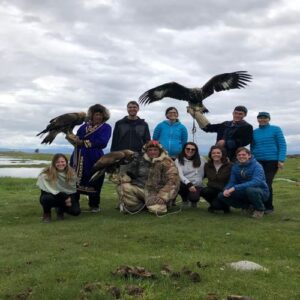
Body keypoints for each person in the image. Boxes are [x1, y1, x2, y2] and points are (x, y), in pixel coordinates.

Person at [113, 140, 180, 215]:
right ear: (146, 151)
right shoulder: (139, 159)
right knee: (123, 186)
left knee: (157, 210)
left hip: (157, 193)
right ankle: (135, 207)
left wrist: (163, 197)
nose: (152, 152)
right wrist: (118, 176)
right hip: (141, 189)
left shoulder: (167, 162)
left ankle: (154, 205)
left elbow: (173, 182)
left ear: (160, 151)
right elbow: (127, 174)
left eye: (155, 150)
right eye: (150, 150)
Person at [66, 104, 112, 212]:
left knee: (95, 178)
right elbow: (78, 138)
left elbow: (103, 142)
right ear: (92, 115)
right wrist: (73, 138)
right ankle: (74, 203)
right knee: (75, 178)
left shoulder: (106, 127)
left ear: (104, 116)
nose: (98, 117)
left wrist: (83, 142)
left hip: (95, 156)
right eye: (96, 114)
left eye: (101, 115)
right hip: (78, 155)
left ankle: (94, 205)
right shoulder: (83, 126)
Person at [217, 147, 269, 218]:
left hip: (260, 191)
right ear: (237, 156)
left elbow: (256, 182)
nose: (241, 156)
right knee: (222, 195)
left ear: (249, 155)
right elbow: (232, 181)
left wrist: (235, 188)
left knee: (251, 190)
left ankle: (259, 209)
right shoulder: (235, 167)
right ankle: (247, 207)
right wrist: (226, 189)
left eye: (244, 154)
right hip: (243, 191)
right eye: (239, 155)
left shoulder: (257, 166)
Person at [251, 112, 287, 213]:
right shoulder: (254, 132)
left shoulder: (276, 129)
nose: (262, 119)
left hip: (272, 161)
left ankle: (269, 207)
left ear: (269, 119)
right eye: (260, 118)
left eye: (265, 118)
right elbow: (252, 147)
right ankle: (257, 204)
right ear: (257, 119)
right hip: (257, 161)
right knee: (256, 182)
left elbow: (282, 145)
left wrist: (281, 160)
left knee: (267, 182)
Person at [187, 105, 253, 161]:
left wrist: (226, 142)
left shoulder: (247, 127)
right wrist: (198, 115)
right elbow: (208, 128)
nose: (237, 115)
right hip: (218, 153)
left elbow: (245, 141)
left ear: (245, 115)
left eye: (240, 114)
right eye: (236, 113)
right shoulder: (225, 124)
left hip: (234, 156)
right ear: (233, 113)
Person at [37, 153, 81, 222]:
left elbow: (72, 190)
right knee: (46, 198)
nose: (60, 164)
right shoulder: (46, 174)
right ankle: (47, 214)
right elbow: (46, 191)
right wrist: (66, 197)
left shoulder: (71, 173)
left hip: (66, 197)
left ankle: (60, 209)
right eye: (57, 162)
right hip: (52, 196)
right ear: (54, 163)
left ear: (66, 162)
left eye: (62, 161)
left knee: (76, 212)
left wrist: (72, 199)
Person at [200, 145, 232, 213]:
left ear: (222, 154)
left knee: (217, 206)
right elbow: (201, 176)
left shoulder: (230, 165)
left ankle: (225, 206)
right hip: (212, 189)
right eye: (213, 153)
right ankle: (213, 204)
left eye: (218, 153)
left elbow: (233, 179)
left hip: (225, 191)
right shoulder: (207, 165)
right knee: (203, 191)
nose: (216, 155)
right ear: (210, 154)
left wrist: (228, 189)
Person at [175, 142, 206, 208]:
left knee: (194, 198)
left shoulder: (202, 159)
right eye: (188, 149)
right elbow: (180, 175)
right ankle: (185, 200)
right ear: (184, 149)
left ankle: (194, 201)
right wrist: (189, 184)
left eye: (193, 149)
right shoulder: (178, 160)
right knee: (177, 186)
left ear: (196, 151)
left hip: (197, 185)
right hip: (185, 184)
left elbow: (209, 167)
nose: (190, 151)